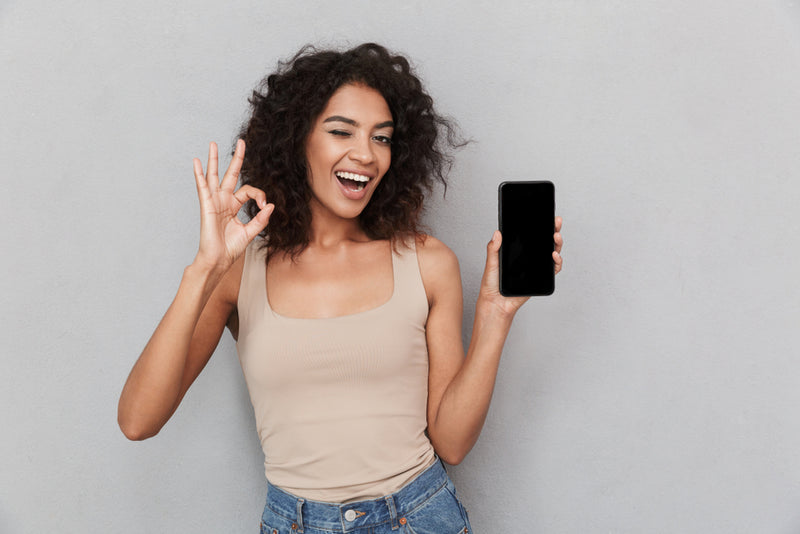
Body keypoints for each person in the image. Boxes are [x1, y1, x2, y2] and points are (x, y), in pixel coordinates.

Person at [118, 42, 563, 533]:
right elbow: (138, 420)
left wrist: (495, 314)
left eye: (382, 138)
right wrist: (203, 269)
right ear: (296, 140)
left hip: (417, 517)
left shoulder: (428, 262)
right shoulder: (237, 270)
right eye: (341, 131)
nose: (365, 154)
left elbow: (452, 442)